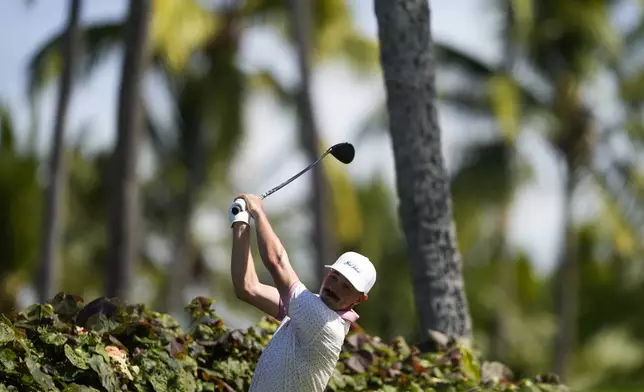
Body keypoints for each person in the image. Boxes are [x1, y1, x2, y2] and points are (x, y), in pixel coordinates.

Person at [228, 193, 377, 392]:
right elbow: (248, 288)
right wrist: (241, 220)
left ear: (360, 299)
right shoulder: (306, 308)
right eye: (334, 277)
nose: (334, 287)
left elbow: (277, 262)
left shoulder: (323, 322)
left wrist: (257, 211)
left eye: (346, 286)